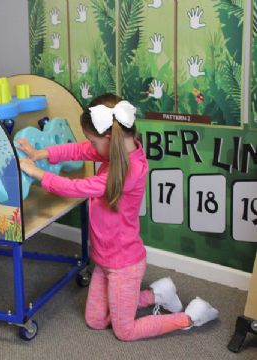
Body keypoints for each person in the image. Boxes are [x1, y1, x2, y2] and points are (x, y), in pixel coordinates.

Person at [16, 93, 219, 341]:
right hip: (103, 259)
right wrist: (42, 153)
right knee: (95, 320)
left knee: (125, 331)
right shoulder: (115, 150)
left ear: (110, 139)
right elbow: (80, 149)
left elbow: (76, 188)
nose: (90, 146)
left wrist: (38, 173)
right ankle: (158, 294)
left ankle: (190, 317)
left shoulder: (128, 170)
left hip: (125, 265)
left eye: (93, 140)